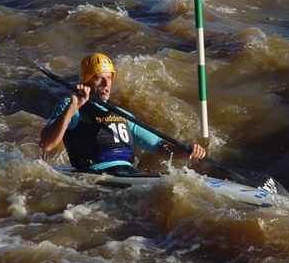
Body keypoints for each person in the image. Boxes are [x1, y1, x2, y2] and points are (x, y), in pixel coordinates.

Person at [40, 52, 206, 175]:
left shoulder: (123, 115)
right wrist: (73, 106)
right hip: (94, 173)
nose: (106, 83)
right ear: (86, 82)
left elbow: (158, 146)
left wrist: (185, 151)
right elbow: (47, 144)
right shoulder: (72, 107)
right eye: (99, 78)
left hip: (126, 173)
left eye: (109, 78)